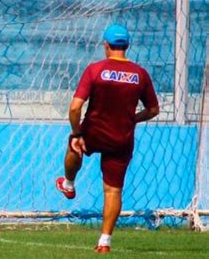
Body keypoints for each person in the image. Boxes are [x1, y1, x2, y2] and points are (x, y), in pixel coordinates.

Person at [55, 24, 159, 252]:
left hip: (94, 132)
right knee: (113, 191)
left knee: (74, 144)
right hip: (121, 137)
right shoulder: (140, 74)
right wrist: (133, 118)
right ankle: (104, 242)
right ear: (127, 46)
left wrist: (76, 132)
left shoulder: (95, 70)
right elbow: (153, 109)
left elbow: (75, 108)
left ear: (106, 45)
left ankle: (69, 184)